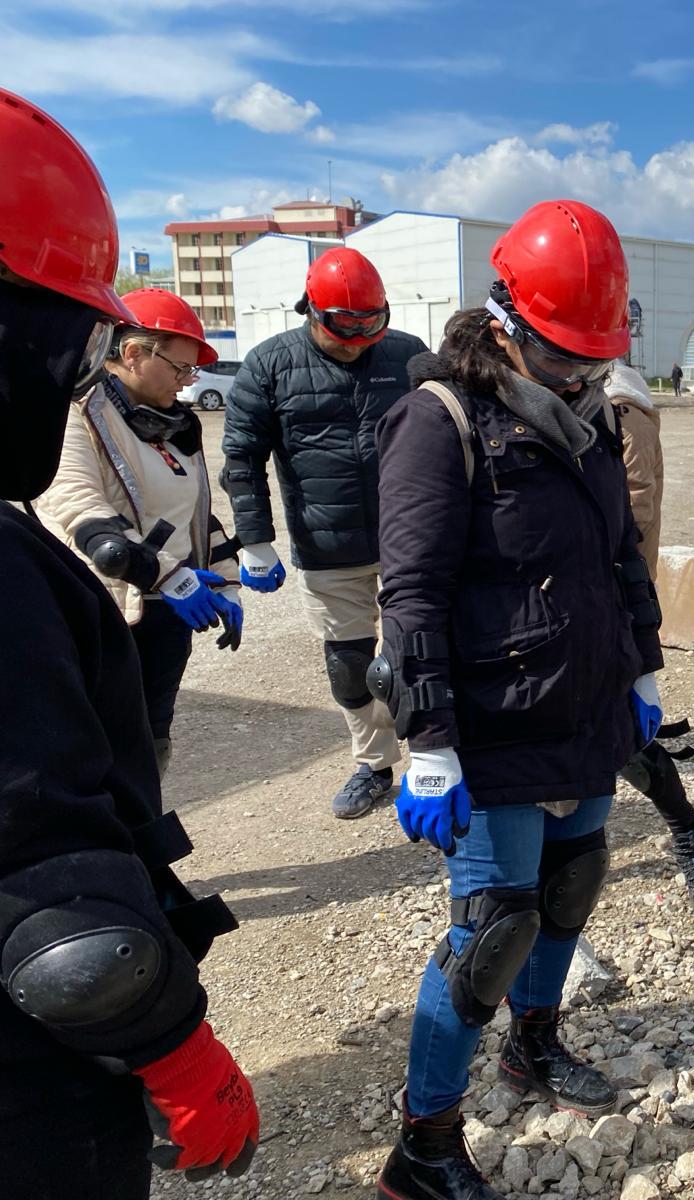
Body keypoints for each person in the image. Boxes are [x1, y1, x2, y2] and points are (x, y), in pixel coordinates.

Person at [371, 199, 664, 1200]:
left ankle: (534, 1046)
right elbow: (409, 591)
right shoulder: (438, 419)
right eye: (560, 350)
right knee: (490, 930)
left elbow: (619, 558)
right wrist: (428, 742)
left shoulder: (590, 422)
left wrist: (648, 668)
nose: (579, 372)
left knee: (569, 891)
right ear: (504, 320)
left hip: (583, 712)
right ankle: (422, 1145)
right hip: (491, 727)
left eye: (593, 354)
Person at [0, 87, 257, 1199]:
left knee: (134, 757)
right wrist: (175, 1049)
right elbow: (43, 880)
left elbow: (199, 499)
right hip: (28, 1094)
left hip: (146, 630)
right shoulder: (29, 530)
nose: (79, 362)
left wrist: (235, 557)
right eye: (78, 336)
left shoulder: (177, 419)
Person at [221, 247, 428, 818]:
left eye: (371, 326)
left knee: (427, 651)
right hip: (326, 545)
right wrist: (254, 540)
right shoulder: (269, 365)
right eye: (344, 329)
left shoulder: (408, 355)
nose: (359, 340)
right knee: (351, 667)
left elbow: (451, 430)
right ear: (311, 311)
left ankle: (442, 755)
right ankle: (375, 761)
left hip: (409, 538)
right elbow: (241, 456)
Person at [36, 289, 244, 778]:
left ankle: (145, 844)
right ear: (132, 353)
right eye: (179, 369)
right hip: (106, 614)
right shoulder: (74, 414)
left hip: (169, 615)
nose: (187, 382)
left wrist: (227, 580)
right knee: (97, 749)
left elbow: (198, 516)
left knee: (151, 741)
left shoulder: (172, 426)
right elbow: (83, 514)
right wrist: (168, 576)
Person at [606, 362, 694, 923]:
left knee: (626, 731)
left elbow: (633, 512)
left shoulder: (618, 406)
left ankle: (688, 835)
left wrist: (639, 655)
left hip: (604, 596)